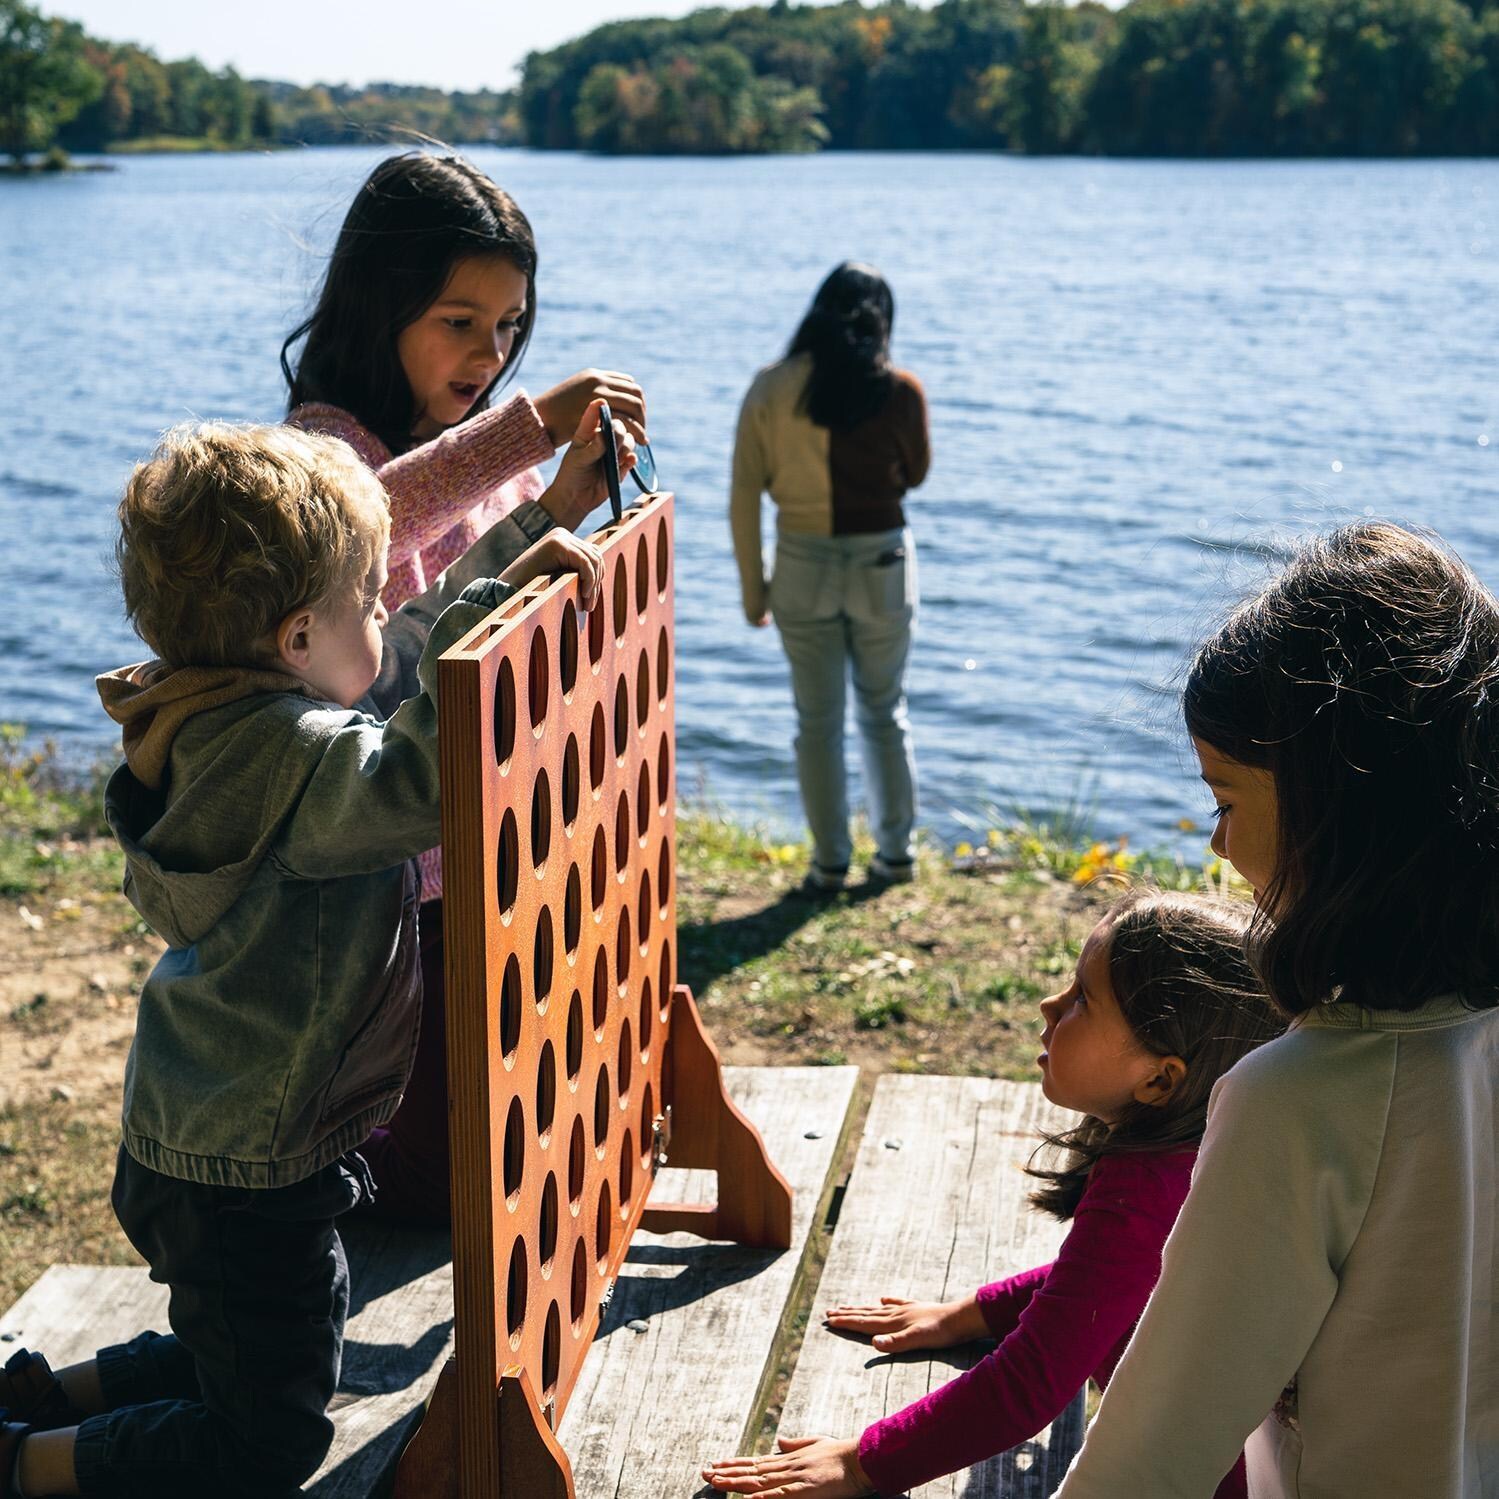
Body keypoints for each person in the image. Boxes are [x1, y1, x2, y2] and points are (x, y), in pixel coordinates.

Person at [0, 420, 610, 1498]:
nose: (385, 610)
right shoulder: (301, 760)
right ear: (295, 638)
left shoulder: (229, 717)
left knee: (253, 1349)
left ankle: (43, 1398)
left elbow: (406, 656)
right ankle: (24, 1463)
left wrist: (508, 560)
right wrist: (491, 609)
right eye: (368, 597)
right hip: (244, 1162)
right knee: (268, 1440)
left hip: (220, 1135)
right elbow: (421, 778)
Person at [1054, 522, 1499, 1497]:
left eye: (1224, 800)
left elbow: (1148, 1456)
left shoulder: (1299, 1101)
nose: (1215, 845)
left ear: (1337, 810)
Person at [282, 148, 649, 1222]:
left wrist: (567, 495)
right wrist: (523, 429)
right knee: (443, 1170)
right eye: (458, 321)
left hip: (501, 839)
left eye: (508, 326)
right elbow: (357, 534)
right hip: (407, 875)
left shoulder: (469, 447)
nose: (488, 355)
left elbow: (493, 579)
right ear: (380, 303)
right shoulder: (320, 447)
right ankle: (293, 1186)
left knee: (528, 1106)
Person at [702, 889, 1282, 1498]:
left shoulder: (1144, 1186)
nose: (1050, 1005)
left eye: (1083, 999)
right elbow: (1114, 1280)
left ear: (1160, 1080)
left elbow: (1029, 1384)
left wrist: (862, 1464)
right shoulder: (1212, 1153)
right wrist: (972, 1314)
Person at [730, 262, 929, 894]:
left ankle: (829, 863)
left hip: (801, 567)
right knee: (884, 711)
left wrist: (754, 590)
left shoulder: (770, 387)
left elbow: (743, 495)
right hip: (883, 567)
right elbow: (917, 474)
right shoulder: (900, 391)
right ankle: (895, 854)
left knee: (816, 723)